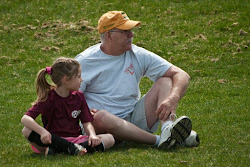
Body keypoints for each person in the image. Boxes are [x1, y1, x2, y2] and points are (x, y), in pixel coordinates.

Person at [75, 11, 197, 149]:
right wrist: (85, 111)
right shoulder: (85, 60)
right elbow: (69, 97)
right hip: (100, 125)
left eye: (131, 30)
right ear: (108, 35)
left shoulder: (137, 53)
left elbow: (181, 75)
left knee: (166, 81)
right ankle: (159, 140)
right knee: (102, 116)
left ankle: (167, 129)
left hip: (133, 119)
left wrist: (172, 99)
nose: (131, 35)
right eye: (125, 31)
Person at [21, 57, 115, 156]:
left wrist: (92, 135)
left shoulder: (79, 97)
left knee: (110, 138)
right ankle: (72, 149)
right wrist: (43, 132)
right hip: (53, 140)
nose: (82, 80)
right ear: (66, 79)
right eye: (78, 76)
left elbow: (86, 123)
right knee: (26, 130)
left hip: (76, 139)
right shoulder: (48, 98)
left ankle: (62, 150)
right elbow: (25, 119)